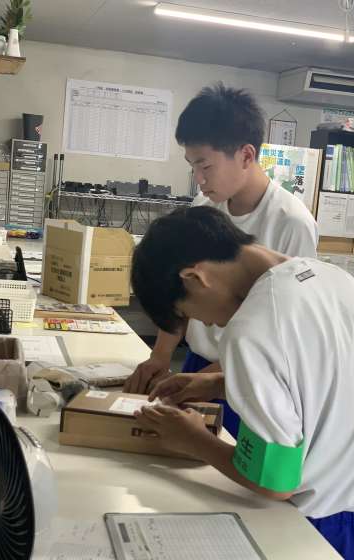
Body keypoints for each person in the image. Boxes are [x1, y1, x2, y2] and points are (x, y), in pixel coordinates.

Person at [131, 205, 354, 560]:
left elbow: (274, 482)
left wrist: (191, 439)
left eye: (189, 314)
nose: (207, 324)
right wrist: (218, 384)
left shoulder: (250, 329)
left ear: (194, 277)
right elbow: (324, 384)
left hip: (325, 529)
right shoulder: (334, 279)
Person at [124, 83, 318, 437]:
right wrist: (160, 356)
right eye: (192, 166)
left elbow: (286, 333)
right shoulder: (205, 205)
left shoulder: (291, 222)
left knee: (229, 457)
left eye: (205, 166)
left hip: (246, 374)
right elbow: (179, 289)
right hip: (198, 361)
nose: (199, 179)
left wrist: (209, 381)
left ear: (245, 155)